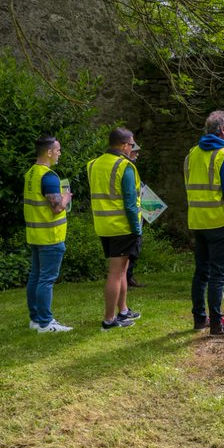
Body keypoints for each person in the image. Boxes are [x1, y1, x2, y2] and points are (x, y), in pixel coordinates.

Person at [185, 110, 224, 335]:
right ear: (222, 130)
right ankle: (217, 324)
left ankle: (200, 318)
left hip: (198, 221)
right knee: (219, 274)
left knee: (201, 272)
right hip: (220, 222)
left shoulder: (192, 153)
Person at [86, 127, 143, 330]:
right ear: (124, 145)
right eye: (131, 144)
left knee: (122, 270)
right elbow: (129, 202)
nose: (132, 148)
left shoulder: (93, 164)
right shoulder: (124, 167)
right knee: (116, 272)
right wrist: (137, 229)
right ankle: (109, 319)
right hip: (122, 226)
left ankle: (123, 310)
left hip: (103, 225)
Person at [24, 135, 73, 333]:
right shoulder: (50, 177)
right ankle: (45, 323)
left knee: (36, 277)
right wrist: (66, 197)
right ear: (49, 152)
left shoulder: (31, 174)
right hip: (51, 236)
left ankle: (36, 319)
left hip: (35, 234)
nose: (60, 153)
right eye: (58, 150)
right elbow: (56, 208)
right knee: (46, 279)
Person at [126, 142, 145, 289]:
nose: (137, 154)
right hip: (132, 219)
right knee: (132, 249)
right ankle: (126, 277)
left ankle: (128, 276)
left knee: (134, 249)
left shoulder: (131, 169)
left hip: (137, 215)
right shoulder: (126, 169)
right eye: (135, 151)